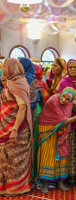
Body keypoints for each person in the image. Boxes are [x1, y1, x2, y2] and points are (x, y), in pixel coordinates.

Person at [37, 87, 76, 193]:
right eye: (63, 97)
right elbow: (65, 121)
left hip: (62, 127)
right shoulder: (54, 100)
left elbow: (70, 112)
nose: (64, 100)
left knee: (62, 153)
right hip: (47, 127)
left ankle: (60, 181)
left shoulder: (69, 104)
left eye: (67, 99)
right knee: (48, 154)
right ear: (61, 93)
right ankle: (45, 182)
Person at [0, 58, 32, 196]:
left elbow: (22, 108)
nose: (4, 70)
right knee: (6, 156)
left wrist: (14, 130)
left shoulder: (19, 83)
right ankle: (7, 185)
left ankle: (17, 187)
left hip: (17, 128)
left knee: (15, 157)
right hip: (5, 125)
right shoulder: (10, 82)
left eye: (5, 67)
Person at [58, 59, 76, 186]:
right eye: (70, 67)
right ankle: (69, 177)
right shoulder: (64, 82)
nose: (73, 69)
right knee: (69, 148)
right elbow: (61, 100)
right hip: (68, 119)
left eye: (75, 67)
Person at [19, 57, 43, 180]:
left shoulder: (27, 79)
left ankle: (32, 175)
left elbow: (29, 101)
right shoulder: (28, 78)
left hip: (32, 112)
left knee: (31, 142)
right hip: (32, 110)